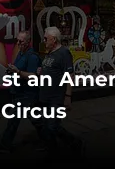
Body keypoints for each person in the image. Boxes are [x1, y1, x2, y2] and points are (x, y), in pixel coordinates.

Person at [36, 26, 85, 159]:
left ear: (54, 39)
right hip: (45, 96)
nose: (44, 40)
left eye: (46, 38)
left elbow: (70, 76)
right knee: (47, 127)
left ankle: (74, 142)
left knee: (52, 126)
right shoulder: (49, 53)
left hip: (56, 97)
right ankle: (53, 151)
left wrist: (68, 96)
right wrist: (41, 71)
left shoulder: (64, 53)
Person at [0, 30, 43, 153]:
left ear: (28, 42)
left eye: (21, 41)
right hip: (19, 93)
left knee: (20, 120)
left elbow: (33, 77)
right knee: (34, 121)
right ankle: (50, 140)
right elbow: (18, 69)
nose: (18, 43)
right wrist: (12, 70)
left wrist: (18, 72)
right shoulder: (21, 53)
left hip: (27, 94)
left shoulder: (32, 57)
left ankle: (5, 144)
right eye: (18, 41)